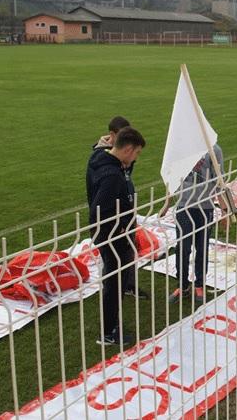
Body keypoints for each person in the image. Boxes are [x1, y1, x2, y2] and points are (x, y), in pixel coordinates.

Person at [87, 126, 146, 345]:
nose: (136, 158)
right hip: (113, 236)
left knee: (115, 277)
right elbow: (100, 208)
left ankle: (111, 325)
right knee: (115, 280)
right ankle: (109, 332)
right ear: (128, 149)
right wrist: (120, 224)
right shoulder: (112, 175)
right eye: (137, 153)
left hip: (109, 233)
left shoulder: (100, 158)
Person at [164, 145, 225, 305]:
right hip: (184, 206)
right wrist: (167, 203)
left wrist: (225, 209)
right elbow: (172, 176)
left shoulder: (214, 149)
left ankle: (199, 284)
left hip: (205, 207)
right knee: (182, 248)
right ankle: (183, 286)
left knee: (201, 247)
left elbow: (219, 180)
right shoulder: (181, 146)